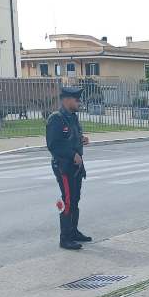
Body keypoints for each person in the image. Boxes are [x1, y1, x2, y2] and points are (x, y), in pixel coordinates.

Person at [46, 87, 91, 250]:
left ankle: (73, 231)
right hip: (64, 167)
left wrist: (82, 140)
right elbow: (53, 145)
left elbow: (71, 138)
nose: (79, 102)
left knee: (75, 199)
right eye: (76, 99)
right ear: (66, 100)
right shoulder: (56, 119)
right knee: (67, 200)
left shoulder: (72, 117)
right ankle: (65, 238)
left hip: (76, 167)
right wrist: (72, 155)